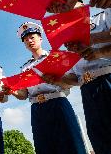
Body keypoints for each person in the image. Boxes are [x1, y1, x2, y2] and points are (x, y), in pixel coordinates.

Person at [11, 22, 87, 154]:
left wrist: (57, 79)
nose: (29, 41)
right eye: (26, 39)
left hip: (58, 104)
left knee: (71, 145)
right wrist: (12, 90)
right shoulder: (24, 68)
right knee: (45, 147)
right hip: (37, 109)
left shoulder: (55, 57)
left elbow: (74, 81)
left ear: (40, 38)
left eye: (32, 37)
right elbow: (24, 95)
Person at [44, 7, 111, 154]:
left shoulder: (103, 17)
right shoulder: (67, 42)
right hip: (88, 91)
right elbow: (74, 79)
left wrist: (99, 52)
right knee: (101, 139)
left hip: (108, 79)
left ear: (82, 3)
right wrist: (56, 80)